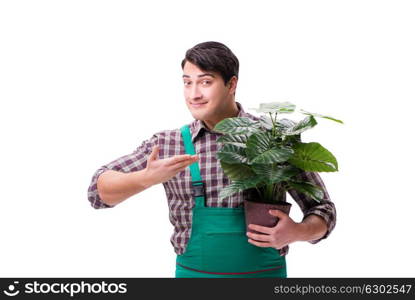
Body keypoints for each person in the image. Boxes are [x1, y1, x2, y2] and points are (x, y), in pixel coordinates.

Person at [87, 41, 336, 278]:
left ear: (231, 84)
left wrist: (297, 231)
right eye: (187, 83)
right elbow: (98, 192)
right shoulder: (168, 144)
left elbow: (323, 209)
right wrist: (145, 178)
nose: (194, 94)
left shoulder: (273, 138)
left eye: (205, 82)